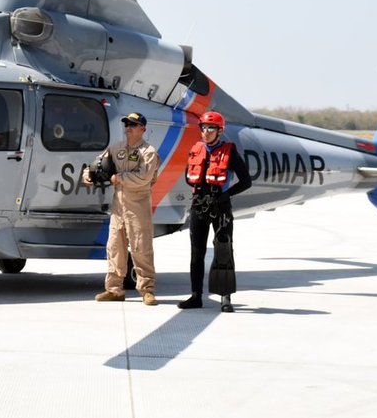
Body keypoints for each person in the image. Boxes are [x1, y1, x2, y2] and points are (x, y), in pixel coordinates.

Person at [83, 112, 162, 306]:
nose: (128, 128)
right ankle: (114, 289)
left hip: (138, 204)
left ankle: (147, 290)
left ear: (143, 129)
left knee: (141, 248)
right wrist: (88, 173)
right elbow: (99, 162)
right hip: (118, 205)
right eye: (127, 124)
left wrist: (119, 179)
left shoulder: (148, 152)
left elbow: (144, 177)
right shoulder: (116, 148)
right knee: (115, 247)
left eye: (133, 125)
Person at [179, 110, 252, 312]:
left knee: (224, 252)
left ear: (220, 131)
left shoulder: (230, 151)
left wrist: (226, 195)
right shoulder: (196, 150)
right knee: (196, 253)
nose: (206, 132)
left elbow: (246, 181)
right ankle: (196, 296)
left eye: (211, 128)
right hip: (199, 206)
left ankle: (225, 298)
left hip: (221, 207)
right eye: (203, 127)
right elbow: (188, 177)